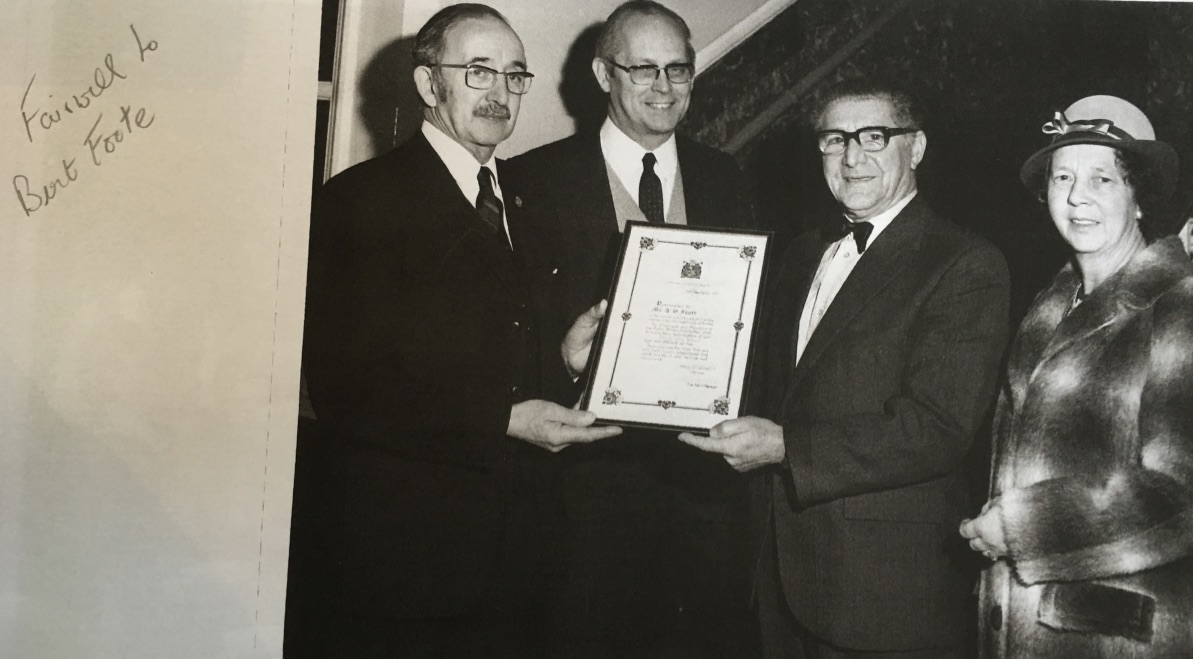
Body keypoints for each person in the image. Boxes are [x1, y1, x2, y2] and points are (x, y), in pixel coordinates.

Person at [298, 4, 619, 656]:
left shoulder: (526, 201)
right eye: (478, 72)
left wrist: (565, 358)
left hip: (517, 562)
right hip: (407, 565)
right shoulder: (360, 202)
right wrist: (501, 420)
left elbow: (504, 361)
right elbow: (345, 387)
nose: (500, 94)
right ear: (427, 85)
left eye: (514, 76)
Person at [679, 79, 1011, 657]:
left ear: (918, 147)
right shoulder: (804, 250)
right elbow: (759, 378)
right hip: (778, 573)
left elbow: (936, 427)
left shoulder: (963, 263)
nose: (852, 156)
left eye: (874, 137)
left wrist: (787, 448)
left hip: (879, 593)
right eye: (835, 140)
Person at [509, 1, 757, 654]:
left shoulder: (727, 178)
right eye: (641, 69)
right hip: (581, 496)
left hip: (705, 491)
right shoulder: (529, 182)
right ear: (601, 74)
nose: (663, 88)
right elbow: (505, 344)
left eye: (678, 69)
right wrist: (563, 364)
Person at [960, 95, 1193, 657]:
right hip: (1026, 629)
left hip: (1119, 637)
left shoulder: (1178, 304)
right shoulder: (1050, 305)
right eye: (1062, 176)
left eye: (1103, 179)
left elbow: (1179, 497)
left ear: (1139, 199)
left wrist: (1022, 530)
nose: (1076, 196)